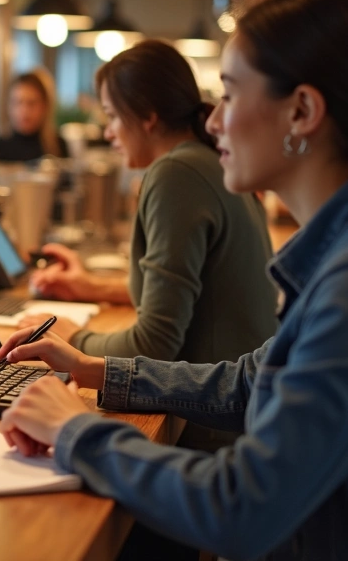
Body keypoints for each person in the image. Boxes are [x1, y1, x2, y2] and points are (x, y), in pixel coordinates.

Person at [0, 0, 348, 559]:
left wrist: (74, 430)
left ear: (301, 112)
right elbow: (252, 380)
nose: (214, 122)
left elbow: (241, 507)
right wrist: (95, 369)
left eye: (229, 94)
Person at [21, 40, 278, 455]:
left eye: (111, 115)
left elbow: (154, 344)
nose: (108, 131)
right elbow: (192, 292)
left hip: (213, 430)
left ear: (147, 117)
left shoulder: (176, 171)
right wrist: (90, 287)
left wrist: (75, 338)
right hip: (240, 414)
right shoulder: (206, 160)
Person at [0, 68, 67, 162]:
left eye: (31, 103)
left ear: (45, 106)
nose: (24, 110)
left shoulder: (58, 146)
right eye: (17, 102)